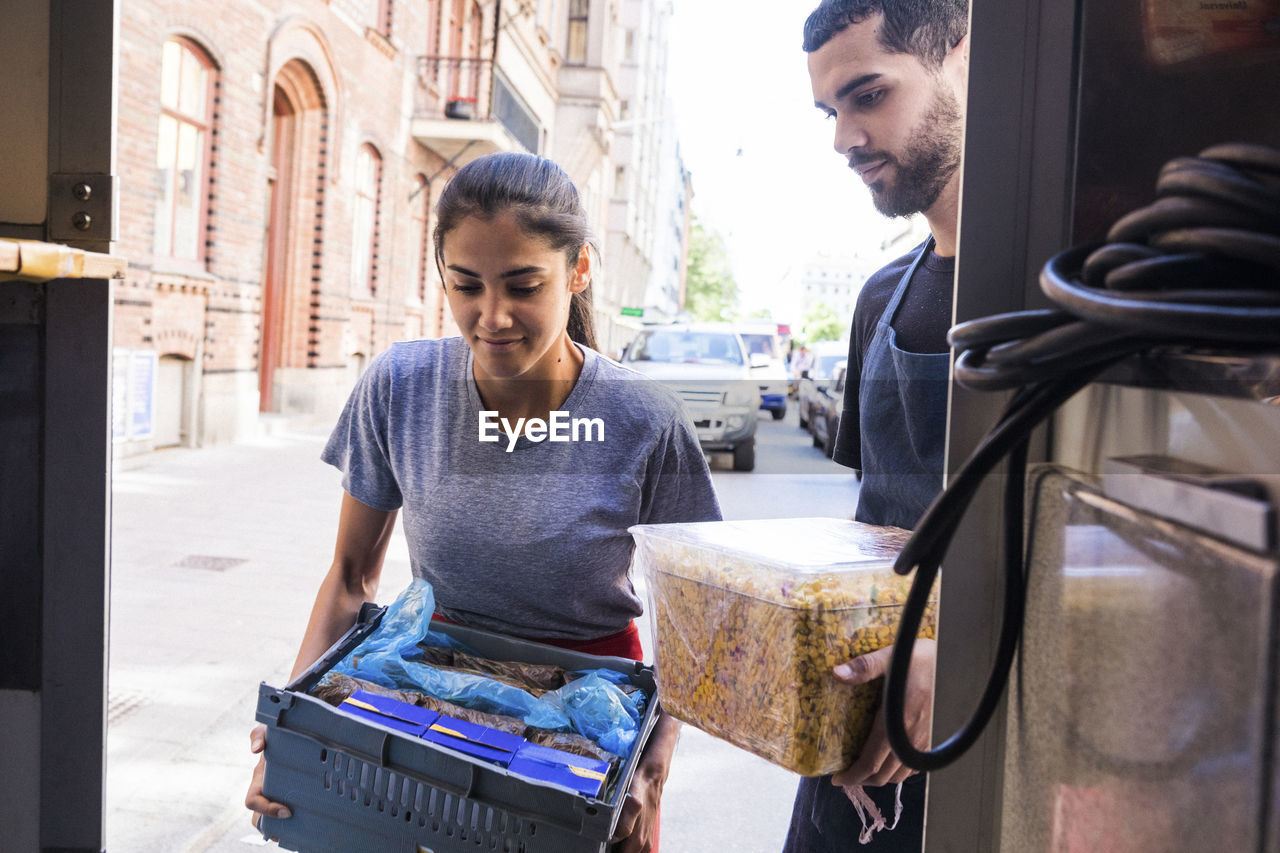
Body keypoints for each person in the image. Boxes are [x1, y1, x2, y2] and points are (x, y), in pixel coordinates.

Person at [244, 152, 721, 853]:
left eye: (524, 285)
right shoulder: (399, 386)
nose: (491, 316)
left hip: (590, 731)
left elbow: (699, 623)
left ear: (578, 270)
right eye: (465, 285)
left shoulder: (646, 420)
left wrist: (653, 768)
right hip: (417, 705)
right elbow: (351, 578)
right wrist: (290, 731)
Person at [784, 1, 969, 851]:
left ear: (964, 60)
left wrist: (954, 645)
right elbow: (873, 536)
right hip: (859, 739)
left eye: (868, 95)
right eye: (831, 111)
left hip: (987, 742)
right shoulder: (877, 301)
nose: (844, 138)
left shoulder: (1078, 289)